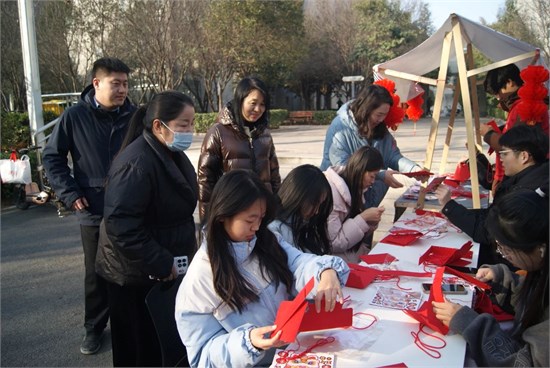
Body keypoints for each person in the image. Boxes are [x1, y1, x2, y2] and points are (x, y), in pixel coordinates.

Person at [175, 169, 349, 367]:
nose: (257, 227)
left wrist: (324, 271)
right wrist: (248, 342)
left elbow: (298, 263)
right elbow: (202, 357)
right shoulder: (200, 279)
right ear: (223, 215)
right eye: (250, 220)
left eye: (261, 218)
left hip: (293, 351)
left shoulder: (265, 241)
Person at [95, 91, 198, 366]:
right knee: (139, 351)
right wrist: (161, 261)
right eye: (183, 125)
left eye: (192, 124)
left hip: (158, 270)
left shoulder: (167, 153)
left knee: (159, 347)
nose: (190, 131)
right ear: (158, 126)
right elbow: (121, 224)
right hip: (134, 275)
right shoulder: (137, 163)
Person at [42, 57, 136, 355]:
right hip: (92, 208)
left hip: (130, 206)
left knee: (131, 268)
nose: (122, 89)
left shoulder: (135, 115)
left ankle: (129, 324)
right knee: (96, 273)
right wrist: (70, 193)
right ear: (97, 83)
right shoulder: (74, 116)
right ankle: (93, 328)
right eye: (115, 83)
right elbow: (52, 158)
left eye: (125, 83)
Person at [432, 189, 549, 367]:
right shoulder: (542, 267)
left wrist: (469, 323)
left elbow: (526, 363)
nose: (505, 256)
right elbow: (538, 296)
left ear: (540, 249)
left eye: (507, 250)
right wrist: (503, 278)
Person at [435, 124, 549, 265]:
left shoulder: (526, 195)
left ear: (524, 156)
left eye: (504, 153)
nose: (500, 159)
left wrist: (449, 206)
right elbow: (491, 214)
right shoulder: (532, 176)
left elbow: (487, 232)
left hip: (508, 268)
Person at [320, 84, 426, 209]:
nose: (381, 119)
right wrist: (380, 174)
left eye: (385, 115)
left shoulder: (380, 128)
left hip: (367, 197)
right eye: (378, 114)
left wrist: (413, 169)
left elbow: (392, 156)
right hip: (338, 197)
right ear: (366, 109)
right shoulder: (339, 128)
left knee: (364, 225)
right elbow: (342, 165)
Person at [198, 76, 281, 220]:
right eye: (253, 103)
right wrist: (208, 221)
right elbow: (205, 179)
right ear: (240, 100)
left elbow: (274, 176)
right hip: (232, 213)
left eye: (262, 104)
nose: (258, 109)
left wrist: (277, 210)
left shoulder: (264, 133)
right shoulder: (218, 132)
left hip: (262, 212)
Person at [480, 62, 549, 192]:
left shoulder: (527, 106)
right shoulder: (519, 105)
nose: (498, 97)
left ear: (510, 82)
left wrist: (489, 135)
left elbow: (514, 145)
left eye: (497, 91)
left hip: (526, 178)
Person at [324, 146, 386, 263]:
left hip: (350, 255)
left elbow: (350, 233)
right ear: (360, 170)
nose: (373, 182)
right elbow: (334, 243)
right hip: (333, 261)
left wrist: (368, 224)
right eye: (372, 176)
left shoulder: (354, 188)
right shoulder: (332, 194)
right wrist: (363, 218)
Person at [268, 164, 333, 255]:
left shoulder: (308, 227)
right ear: (297, 196)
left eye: (320, 205)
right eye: (314, 203)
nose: (317, 211)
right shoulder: (275, 230)